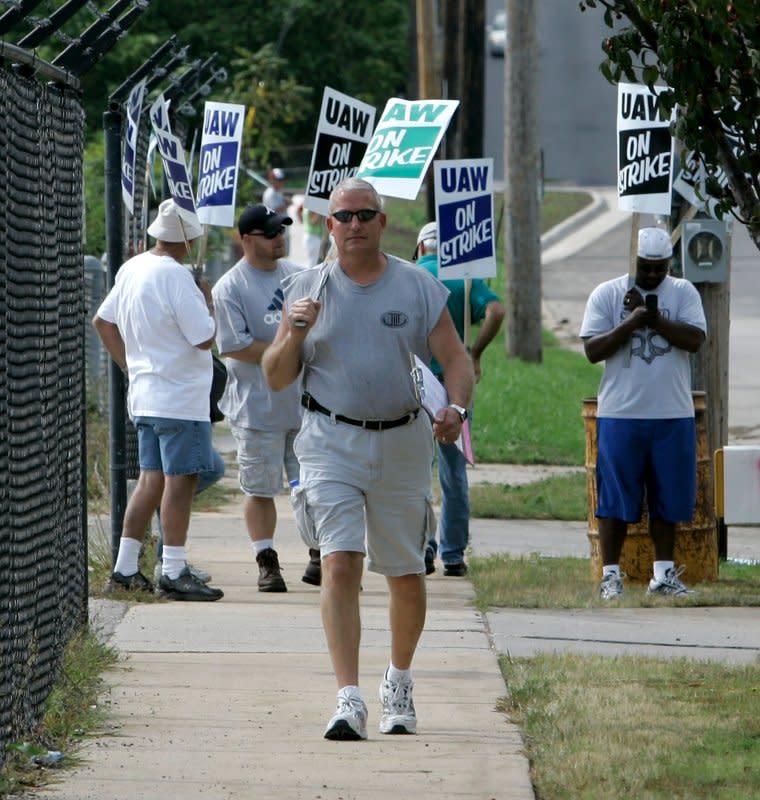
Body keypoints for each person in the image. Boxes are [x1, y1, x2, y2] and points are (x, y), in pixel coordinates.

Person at [262, 177, 474, 741]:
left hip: (404, 440)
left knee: (405, 571)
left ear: (382, 222)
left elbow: (456, 357)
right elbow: (277, 375)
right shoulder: (306, 290)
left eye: (365, 215)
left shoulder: (417, 286)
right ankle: (348, 697)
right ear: (327, 225)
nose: (353, 225)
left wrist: (455, 407)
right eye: (343, 217)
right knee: (340, 561)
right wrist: (293, 332)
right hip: (331, 441)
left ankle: (397, 682)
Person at [93, 198, 224, 602]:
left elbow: (102, 320)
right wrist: (208, 303)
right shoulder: (177, 277)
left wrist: (129, 365)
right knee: (180, 481)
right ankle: (173, 569)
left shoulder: (132, 268)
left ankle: (126, 567)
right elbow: (204, 337)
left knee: (149, 481)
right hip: (180, 397)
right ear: (186, 239)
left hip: (146, 393)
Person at [580, 226, 707, 601]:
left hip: (673, 412)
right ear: (632, 261)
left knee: (669, 498)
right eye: (645, 268)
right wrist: (632, 320)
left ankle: (663, 575)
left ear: (669, 263)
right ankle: (611, 575)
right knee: (615, 498)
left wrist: (651, 318)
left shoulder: (683, 292)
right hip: (621, 412)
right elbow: (593, 350)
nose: (652, 275)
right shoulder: (607, 294)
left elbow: (695, 340)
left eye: (659, 268)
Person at [212, 204, 317, 591]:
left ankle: (319, 553)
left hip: (303, 404)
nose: (280, 239)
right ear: (247, 240)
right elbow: (235, 346)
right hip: (257, 407)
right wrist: (289, 346)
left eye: (282, 231)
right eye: (271, 233)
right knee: (260, 488)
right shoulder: (230, 287)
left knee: (312, 485)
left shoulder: (298, 277)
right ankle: (267, 560)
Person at [413, 221, 505, 577]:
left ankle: (423, 546)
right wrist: (475, 353)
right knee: (454, 470)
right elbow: (496, 311)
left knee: (418, 469)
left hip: (420, 382)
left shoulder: (412, 275)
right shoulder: (466, 279)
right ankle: (452, 553)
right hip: (456, 383)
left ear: (421, 247)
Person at [263, 168, 290, 255]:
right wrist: (288, 204)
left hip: (281, 230)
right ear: (271, 180)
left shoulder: (277, 192)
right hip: (275, 231)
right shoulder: (271, 193)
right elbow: (275, 210)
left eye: (281, 180)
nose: (281, 182)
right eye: (278, 180)